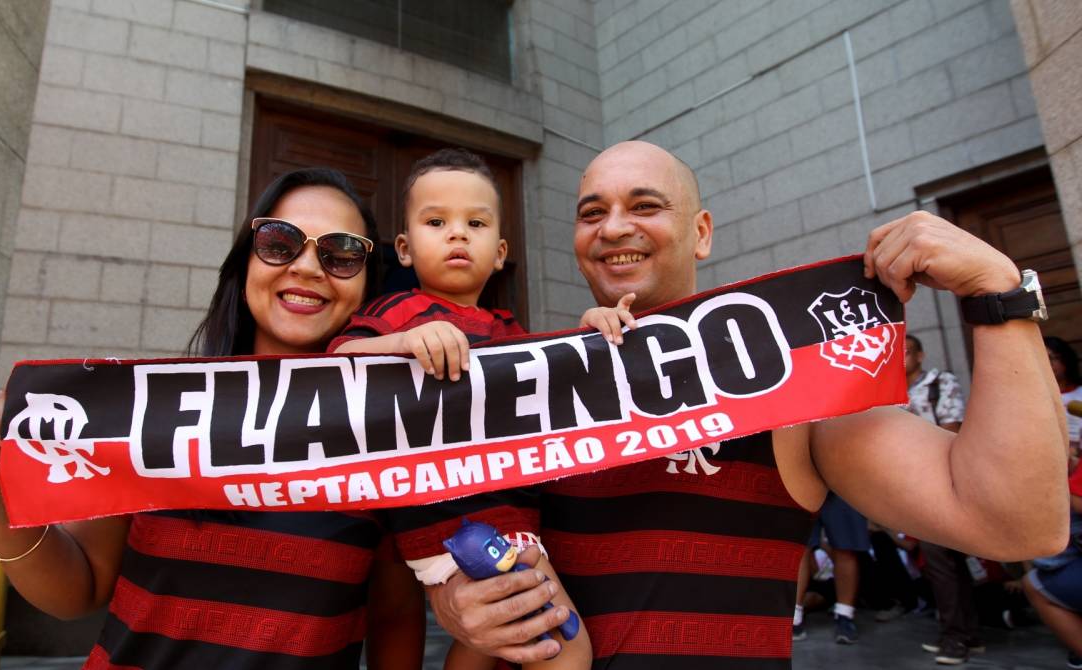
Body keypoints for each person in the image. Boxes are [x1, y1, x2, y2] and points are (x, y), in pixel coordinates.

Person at [425, 140, 1070, 668]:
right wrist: (453, 600)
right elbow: (458, 549)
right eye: (591, 213)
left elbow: (1021, 524)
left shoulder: (792, 393)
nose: (613, 227)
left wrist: (999, 295)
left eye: (644, 205)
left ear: (700, 233)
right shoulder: (525, 388)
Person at [0, 168, 427, 669]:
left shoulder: (389, 438)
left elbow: (394, 614)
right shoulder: (149, 408)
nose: (308, 267)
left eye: (342, 253)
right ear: (245, 263)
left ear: (368, 281)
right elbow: (78, 589)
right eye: (279, 242)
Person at [332, 148, 594, 669]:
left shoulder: (510, 330)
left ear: (500, 252)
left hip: (507, 516)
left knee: (485, 648)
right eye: (437, 221)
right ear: (403, 249)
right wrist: (402, 342)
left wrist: (591, 334)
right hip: (452, 525)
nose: (457, 234)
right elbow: (337, 359)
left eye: (474, 222)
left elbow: (557, 380)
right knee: (566, 652)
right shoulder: (393, 312)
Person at [899, 334, 981, 664]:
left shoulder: (938, 383)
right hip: (910, 484)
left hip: (941, 480)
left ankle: (954, 639)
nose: (898, 357)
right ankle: (968, 634)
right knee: (946, 562)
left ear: (920, 355)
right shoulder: (887, 394)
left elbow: (951, 430)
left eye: (905, 351)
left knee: (941, 562)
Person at [1024, 340, 1082, 669]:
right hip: (1043, 485)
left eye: (1054, 359)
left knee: (1047, 573)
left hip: (1072, 486)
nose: (1049, 364)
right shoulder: (1026, 398)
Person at [792, 493, 869, 644]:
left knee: (845, 548)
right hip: (804, 477)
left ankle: (844, 616)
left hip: (843, 481)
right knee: (799, 547)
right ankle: (794, 616)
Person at [1045, 336, 1082, 459]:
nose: (1046, 363)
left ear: (1065, 360)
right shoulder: (1036, 398)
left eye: (1050, 358)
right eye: (1042, 358)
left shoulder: (1080, 392)